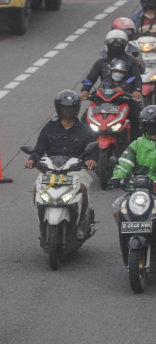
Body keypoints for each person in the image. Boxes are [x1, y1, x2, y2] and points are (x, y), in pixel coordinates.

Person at [25, 90, 97, 239]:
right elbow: (39, 148)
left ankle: (78, 223)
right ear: (59, 108)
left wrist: (92, 160)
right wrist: (32, 159)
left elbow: (93, 150)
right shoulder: (49, 127)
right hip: (51, 170)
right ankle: (42, 225)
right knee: (36, 189)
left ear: (76, 108)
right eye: (64, 107)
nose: (67, 110)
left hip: (76, 170)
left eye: (71, 107)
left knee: (82, 189)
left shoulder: (85, 129)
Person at [110, 105, 156, 247]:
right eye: (147, 125)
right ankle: (129, 235)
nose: (150, 129)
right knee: (117, 207)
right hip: (138, 190)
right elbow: (124, 163)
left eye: (153, 125)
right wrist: (117, 176)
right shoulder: (136, 144)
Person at [81, 30, 145, 140]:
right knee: (84, 119)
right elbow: (90, 78)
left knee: (140, 119)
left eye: (119, 45)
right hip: (103, 101)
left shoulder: (131, 62)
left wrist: (137, 91)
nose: (116, 47)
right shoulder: (100, 63)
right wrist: (85, 90)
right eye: (113, 45)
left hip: (126, 100)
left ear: (124, 46)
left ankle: (136, 149)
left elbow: (137, 79)